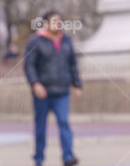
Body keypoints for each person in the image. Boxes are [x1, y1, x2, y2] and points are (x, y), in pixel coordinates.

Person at [24, 10, 82, 166]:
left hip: (62, 91)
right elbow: (29, 65)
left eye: (59, 21)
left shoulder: (66, 41)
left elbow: (72, 64)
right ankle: (39, 158)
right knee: (41, 126)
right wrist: (35, 84)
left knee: (64, 122)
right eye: (54, 21)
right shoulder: (35, 42)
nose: (58, 23)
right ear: (46, 24)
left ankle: (68, 156)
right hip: (42, 92)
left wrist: (77, 85)